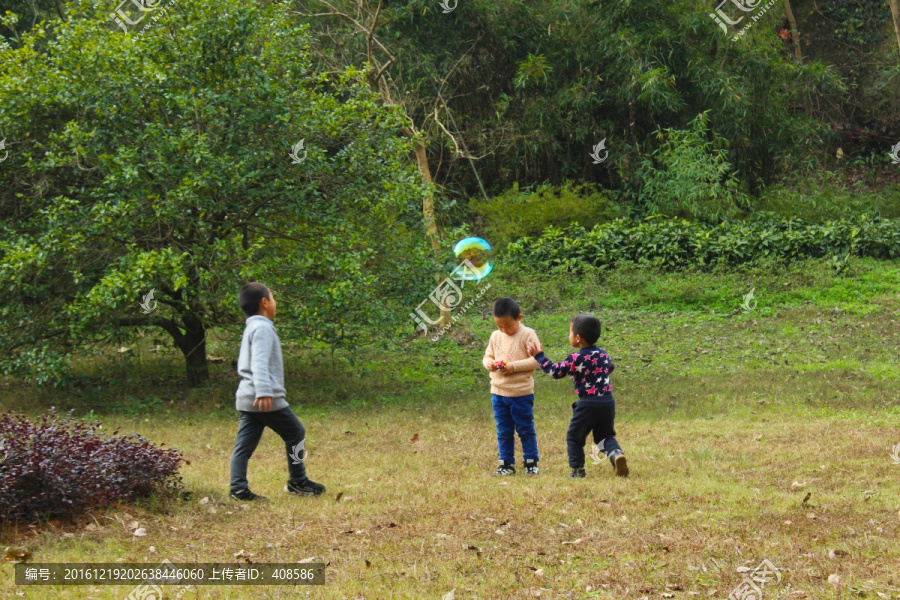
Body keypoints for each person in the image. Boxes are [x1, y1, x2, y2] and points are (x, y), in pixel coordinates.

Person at [229, 282, 325, 500]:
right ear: (264, 303)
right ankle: (298, 481)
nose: (275, 302)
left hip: (246, 396)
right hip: (263, 397)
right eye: (273, 298)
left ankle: (238, 488)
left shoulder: (251, 326)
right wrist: (264, 391)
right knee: (295, 432)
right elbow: (259, 364)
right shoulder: (262, 328)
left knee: (244, 446)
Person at [526, 314, 629, 479]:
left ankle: (577, 470)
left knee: (574, 437)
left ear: (578, 338)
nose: (569, 336)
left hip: (588, 404)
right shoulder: (603, 354)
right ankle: (616, 454)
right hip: (607, 402)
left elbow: (555, 372)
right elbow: (610, 368)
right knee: (605, 436)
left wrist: (539, 356)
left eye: (570, 332)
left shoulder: (576, 358)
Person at [482, 297, 543, 476]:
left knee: (525, 428)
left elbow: (537, 361)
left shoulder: (528, 334)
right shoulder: (495, 336)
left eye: (508, 325)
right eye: (499, 326)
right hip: (498, 393)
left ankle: (531, 461)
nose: (503, 330)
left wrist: (513, 366)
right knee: (503, 430)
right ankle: (506, 464)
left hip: (521, 393)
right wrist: (490, 364)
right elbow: (487, 356)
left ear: (519, 318)